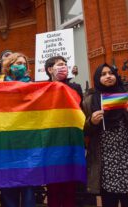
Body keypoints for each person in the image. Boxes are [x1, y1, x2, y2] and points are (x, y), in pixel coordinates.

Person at [82, 63, 128, 207]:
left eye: (110, 73)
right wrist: (91, 122)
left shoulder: (127, 97)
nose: (108, 76)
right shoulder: (90, 101)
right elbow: (84, 131)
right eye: (103, 74)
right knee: (109, 201)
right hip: (105, 164)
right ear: (97, 79)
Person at [44, 56, 83, 207]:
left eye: (65, 64)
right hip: (51, 144)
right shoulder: (42, 89)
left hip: (70, 142)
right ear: (50, 69)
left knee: (70, 189)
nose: (64, 67)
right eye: (60, 65)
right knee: (53, 189)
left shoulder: (75, 88)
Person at [0, 52, 35, 207]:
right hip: (6, 142)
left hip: (26, 141)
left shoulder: (34, 87)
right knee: (7, 184)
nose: (21, 66)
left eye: (23, 64)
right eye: (17, 63)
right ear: (9, 66)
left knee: (28, 186)